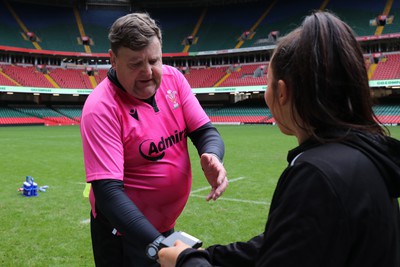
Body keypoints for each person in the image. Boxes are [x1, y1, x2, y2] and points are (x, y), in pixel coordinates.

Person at [158, 11, 400, 267]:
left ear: (282, 92)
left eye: (267, 84)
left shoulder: (315, 175)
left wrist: (186, 263)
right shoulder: (365, 154)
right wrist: (207, 257)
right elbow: (286, 241)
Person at [80, 12, 228, 267]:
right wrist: (159, 245)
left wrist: (212, 155)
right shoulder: (101, 107)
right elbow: (108, 194)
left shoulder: (174, 79)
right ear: (113, 60)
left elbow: (205, 132)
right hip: (122, 235)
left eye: (154, 60)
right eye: (135, 64)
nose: (148, 72)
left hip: (163, 228)